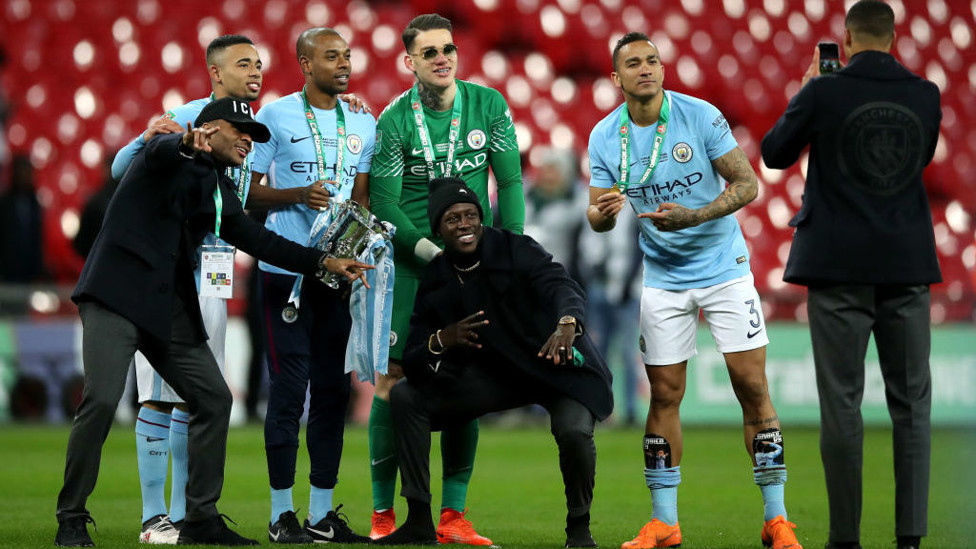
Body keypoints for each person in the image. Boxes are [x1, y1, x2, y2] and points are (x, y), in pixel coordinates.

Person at [54, 97, 372, 548]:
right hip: (116, 296)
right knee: (103, 399)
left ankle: (199, 518)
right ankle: (71, 516)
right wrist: (184, 142)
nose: (248, 139)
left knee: (214, 398)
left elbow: (255, 237)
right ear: (208, 129)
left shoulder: (217, 186)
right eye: (239, 130)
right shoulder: (167, 151)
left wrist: (322, 261)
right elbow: (161, 153)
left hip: (168, 304)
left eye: (254, 135)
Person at [587, 32, 802, 549]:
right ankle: (665, 522)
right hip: (662, 281)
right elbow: (597, 216)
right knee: (664, 394)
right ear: (617, 78)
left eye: (653, 60)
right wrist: (600, 215)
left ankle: (777, 518)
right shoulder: (603, 136)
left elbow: (748, 184)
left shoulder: (698, 116)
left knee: (751, 387)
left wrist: (696, 217)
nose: (646, 69)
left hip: (725, 269)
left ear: (663, 68)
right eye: (633, 63)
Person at [760, 2, 941, 548]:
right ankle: (909, 538)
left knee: (842, 403)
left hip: (837, 270)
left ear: (846, 37)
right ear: (893, 36)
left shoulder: (823, 91)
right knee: (912, 406)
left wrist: (807, 89)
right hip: (906, 267)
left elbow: (774, 154)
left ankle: (845, 541)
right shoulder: (925, 95)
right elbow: (917, 161)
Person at [373, 177, 611, 548]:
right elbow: (417, 357)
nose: (464, 224)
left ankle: (579, 528)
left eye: (471, 215)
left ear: (482, 218)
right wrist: (442, 339)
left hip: (554, 363)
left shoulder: (516, 249)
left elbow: (560, 285)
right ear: (438, 229)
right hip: (494, 376)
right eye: (452, 219)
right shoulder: (437, 278)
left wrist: (567, 323)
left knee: (575, 433)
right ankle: (419, 521)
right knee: (405, 396)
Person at [367, 13, 524, 543]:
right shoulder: (393, 121)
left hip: (472, 268)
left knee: (466, 376)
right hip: (410, 269)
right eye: (429, 51)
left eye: (449, 49)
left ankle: (454, 516)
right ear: (409, 61)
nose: (442, 58)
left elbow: (510, 182)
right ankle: (383, 514)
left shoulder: (490, 106)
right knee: (392, 381)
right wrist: (432, 250)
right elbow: (386, 203)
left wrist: (508, 251)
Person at [110, 34, 264, 545]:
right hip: (170, 273)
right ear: (216, 73)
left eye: (259, 64)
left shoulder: (248, 127)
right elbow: (119, 169)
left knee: (196, 395)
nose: (256, 71)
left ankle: (182, 515)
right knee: (157, 393)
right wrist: (147, 136)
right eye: (245, 64)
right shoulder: (189, 116)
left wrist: (341, 107)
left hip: (217, 272)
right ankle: (154, 517)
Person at [248, 27, 374, 545]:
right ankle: (282, 515)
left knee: (331, 392)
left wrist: (357, 244)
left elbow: (363, 202)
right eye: (331, 56)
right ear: (304, 62)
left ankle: (321, 515)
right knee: (288, 390)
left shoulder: (363, 120)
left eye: (346, 55)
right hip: (287, 277)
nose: (343, 63)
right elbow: (248, 196)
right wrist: (298, 193)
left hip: (338, 277)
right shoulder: (274, 116)